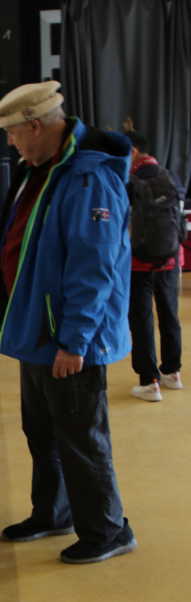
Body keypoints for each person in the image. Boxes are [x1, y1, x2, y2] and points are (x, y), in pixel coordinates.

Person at [0, 81, 136, 564]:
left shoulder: (89, 178)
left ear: (35, 125)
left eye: (12, 132)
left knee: (81, 436)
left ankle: (108, 530)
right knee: (42, 432)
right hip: (38, 332)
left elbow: (94, 268)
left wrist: (74, 341)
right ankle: (53, 512)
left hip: (67, 338)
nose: (10, 142)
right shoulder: (40, 171)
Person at [124, 129, 185, 402]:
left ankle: (149, 382)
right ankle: (173, 373)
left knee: (141, 321)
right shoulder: (172, 177)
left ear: (133, 151)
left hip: (138, 263)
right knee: (170, 316)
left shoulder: (129, 183)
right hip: (169, 260)